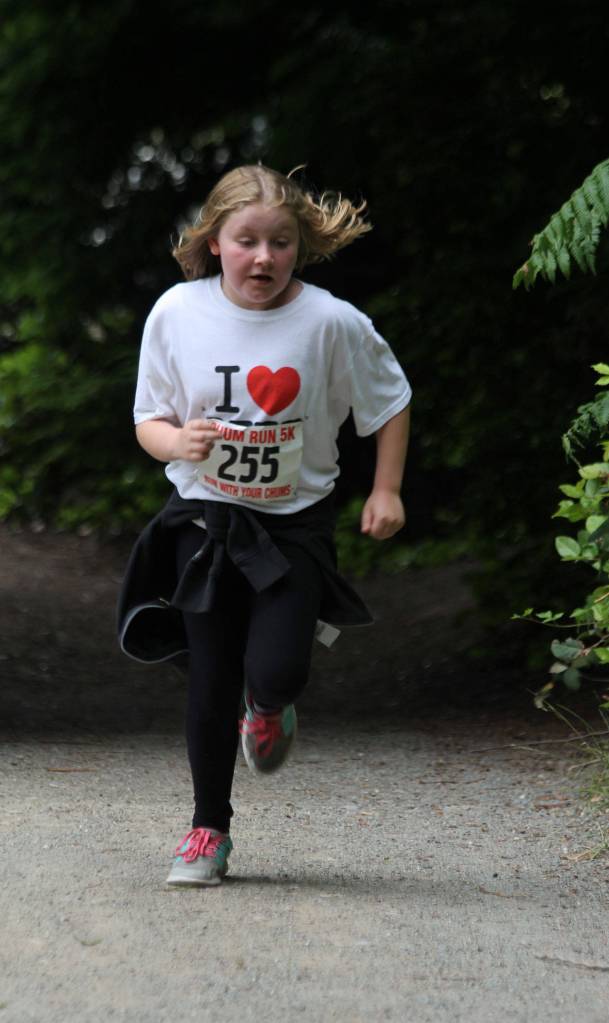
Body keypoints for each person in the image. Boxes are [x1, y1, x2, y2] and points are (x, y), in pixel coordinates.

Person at [118, 164, 412, 887]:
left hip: (293, 525)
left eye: (280, 243)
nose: (263, 257)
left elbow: (390, 400)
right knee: (209, 677)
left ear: (299, 248)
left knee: (277, 668)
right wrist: (175, 442)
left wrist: (386, 490)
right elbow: (146, 417)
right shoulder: (176, 312)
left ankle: (269, 704)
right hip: (203, 523)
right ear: (214, 242)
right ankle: (206, 830)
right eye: (246, 240)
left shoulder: (331, 322)